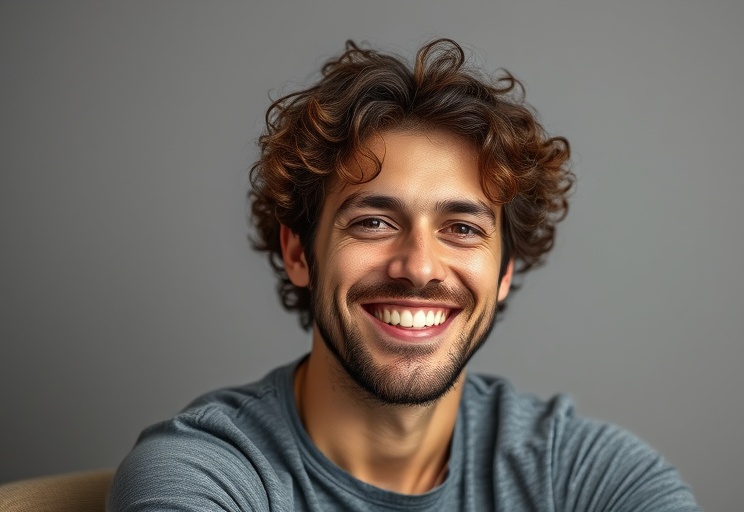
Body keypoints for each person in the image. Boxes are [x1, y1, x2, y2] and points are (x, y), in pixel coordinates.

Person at [108, 39, 700, 511]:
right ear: (298, 254)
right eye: (372, 222)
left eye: (463, 229)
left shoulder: (585, 475)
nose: (418, 265)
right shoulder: (203, 473)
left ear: (503, 274)